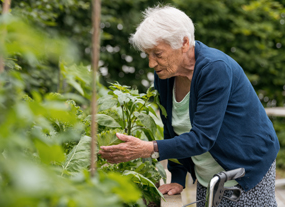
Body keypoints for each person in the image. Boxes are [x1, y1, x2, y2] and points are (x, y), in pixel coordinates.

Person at [98, 5, 280, 206]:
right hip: (208, 175)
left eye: (157, 53)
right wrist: (177, 177)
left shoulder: (215, 69)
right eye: (147, 54)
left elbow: (201, 139)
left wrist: (147, 148)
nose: (151, 63)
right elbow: (172, 131)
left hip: (245, 168)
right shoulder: (166, 76)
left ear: (184, 42)